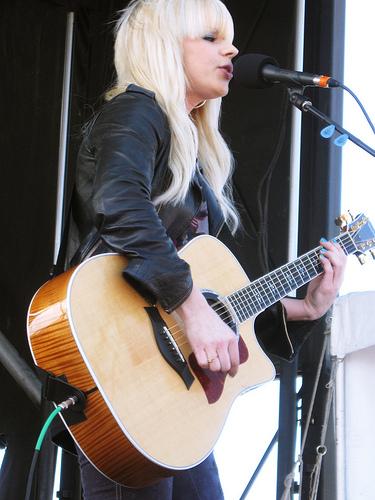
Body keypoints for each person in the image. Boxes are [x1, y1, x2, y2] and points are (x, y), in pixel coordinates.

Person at [65, 0, 347, 498]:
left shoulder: (193, 150)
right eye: (211, 38)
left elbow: (218, 312)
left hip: (178, 401)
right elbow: (120, 204)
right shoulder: (136, 111)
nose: (233, 49)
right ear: (164, 47)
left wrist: (305, 307)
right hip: (125, 378)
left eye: (229, 38)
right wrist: (191, 307)